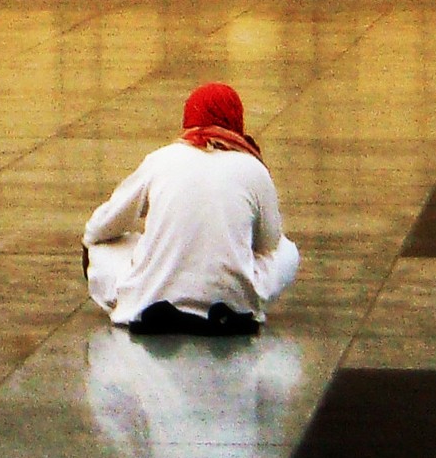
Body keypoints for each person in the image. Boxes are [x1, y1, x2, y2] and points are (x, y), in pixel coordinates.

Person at [82, 81, 300, 338]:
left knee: (101, 245)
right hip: (233, 304)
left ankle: (142, 302)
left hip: (151, 300)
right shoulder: (253, 168)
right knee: (287, 251)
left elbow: (100, 227)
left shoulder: (162, 159)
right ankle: (229, 305)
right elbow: (269, 244)